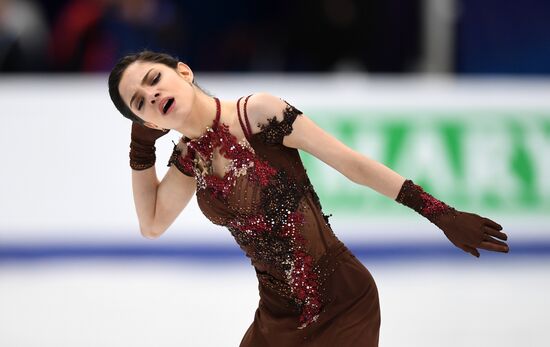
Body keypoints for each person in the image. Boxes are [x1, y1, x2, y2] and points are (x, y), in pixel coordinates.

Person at [108, 50, 510, 346]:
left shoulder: (258, 113)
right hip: (275, 321)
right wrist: (140, 151)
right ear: (147, 122)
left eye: (153, 80)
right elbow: (153, 223)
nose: (152, 95)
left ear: (183, 71)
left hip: (342, 303)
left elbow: (351, 163)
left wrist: (440, 213)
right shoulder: (187, 159)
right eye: (139, 102)